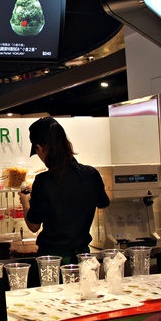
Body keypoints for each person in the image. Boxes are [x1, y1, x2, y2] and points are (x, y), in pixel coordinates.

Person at [19, 117, 110, 285]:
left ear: (40, 148)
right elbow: (103, 202)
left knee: (51, 300)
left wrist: (25, 201)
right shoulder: (91, 174)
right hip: (83, 261)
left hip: (52, 263)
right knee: (84, 299)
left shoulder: (44, 181)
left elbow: (33, 226)